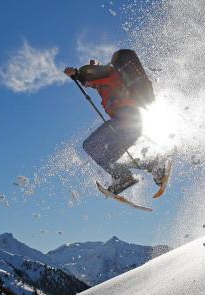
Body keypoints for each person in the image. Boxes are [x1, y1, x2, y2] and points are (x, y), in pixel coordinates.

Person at [64, 57, 166, 195]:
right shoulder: (106, 84)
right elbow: (95, 79)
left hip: (125, 120)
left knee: (90, 146)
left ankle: (124, 177)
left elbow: (89, 73)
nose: (87, 86)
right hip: (132, 127)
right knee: (108, 159)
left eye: (87, 83)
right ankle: (153, 165)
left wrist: (76, 74)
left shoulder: (105, 73)